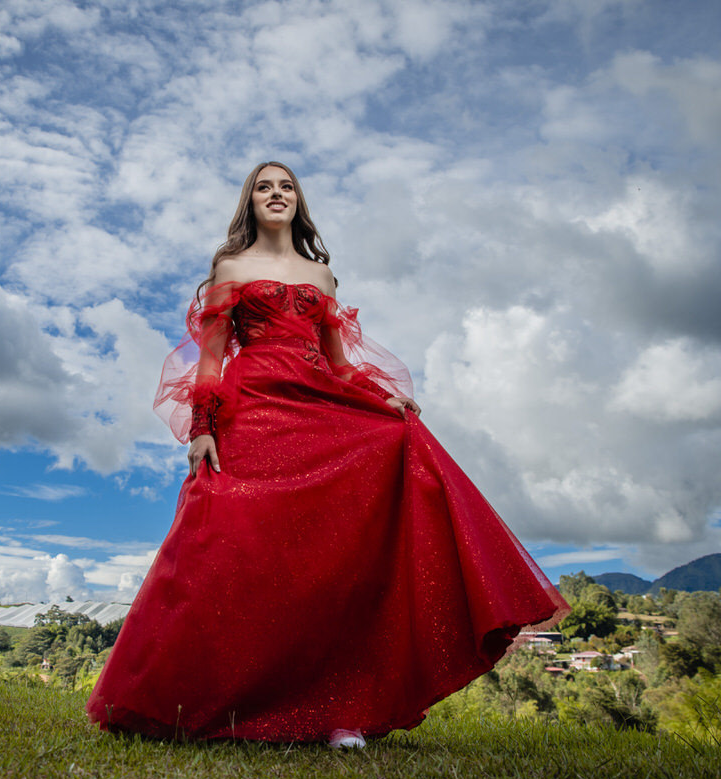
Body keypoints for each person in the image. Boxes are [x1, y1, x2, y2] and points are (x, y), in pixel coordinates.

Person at [85, 161, 568, 748]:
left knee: (338, 547)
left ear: (299, 200)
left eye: (286, 186)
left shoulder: (323, 275)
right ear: (250, 202)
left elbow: (340, 363)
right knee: (228, 545)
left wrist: (382, 397)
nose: (276, 194)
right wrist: (203, 428)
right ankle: (190, 703)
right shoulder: (230, 267)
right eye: (264, 186)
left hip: (318, 407)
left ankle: (341, 710)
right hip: (253, 409)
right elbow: (210, 357)